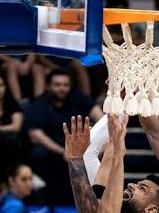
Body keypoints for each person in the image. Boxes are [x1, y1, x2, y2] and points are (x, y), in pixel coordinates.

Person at [24, 68, 102, 205]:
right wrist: (64, 151)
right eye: (57, 85)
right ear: (48, 86)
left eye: (66, 85)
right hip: (53, 149)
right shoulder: (39, 104)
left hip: (80, 146)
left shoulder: (78, 98)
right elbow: (35, 134)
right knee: (38, 153)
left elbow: (100, 118)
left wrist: (93, 143)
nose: (62, 88)